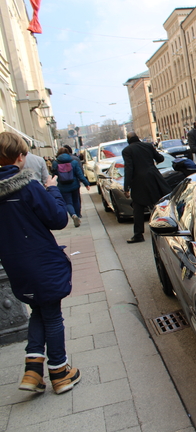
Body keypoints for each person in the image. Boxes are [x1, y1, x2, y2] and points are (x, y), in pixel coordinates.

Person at [0, 131, 81, 395]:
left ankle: (33, 371)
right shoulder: (28, 185)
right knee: (53, 315)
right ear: (20, 157)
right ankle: (60, 372)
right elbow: (58, 219)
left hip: (14, 264)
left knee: (38, 309)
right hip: (40, 261)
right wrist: (53, 189)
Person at [122, 132, 172, 243]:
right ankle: (167, 226)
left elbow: (128, 169)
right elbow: (160, 158)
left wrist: (126, 188)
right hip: (153, 178)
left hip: (138, 182)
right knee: (160, 203)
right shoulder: (148, 146)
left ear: (128, 140)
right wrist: (154, 162)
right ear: (138, 138)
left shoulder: (127, 151)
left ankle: (138, 234)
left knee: (138, 208)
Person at [51, 147, 90, 228]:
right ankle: (78, 216)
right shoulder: (74, 162)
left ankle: (73, 215)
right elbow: (80, 174)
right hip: (74, 185)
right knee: (76, 200)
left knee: (68, 203)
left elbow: (54, 174)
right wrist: (86, 183)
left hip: (63, 186)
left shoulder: (55, 163)